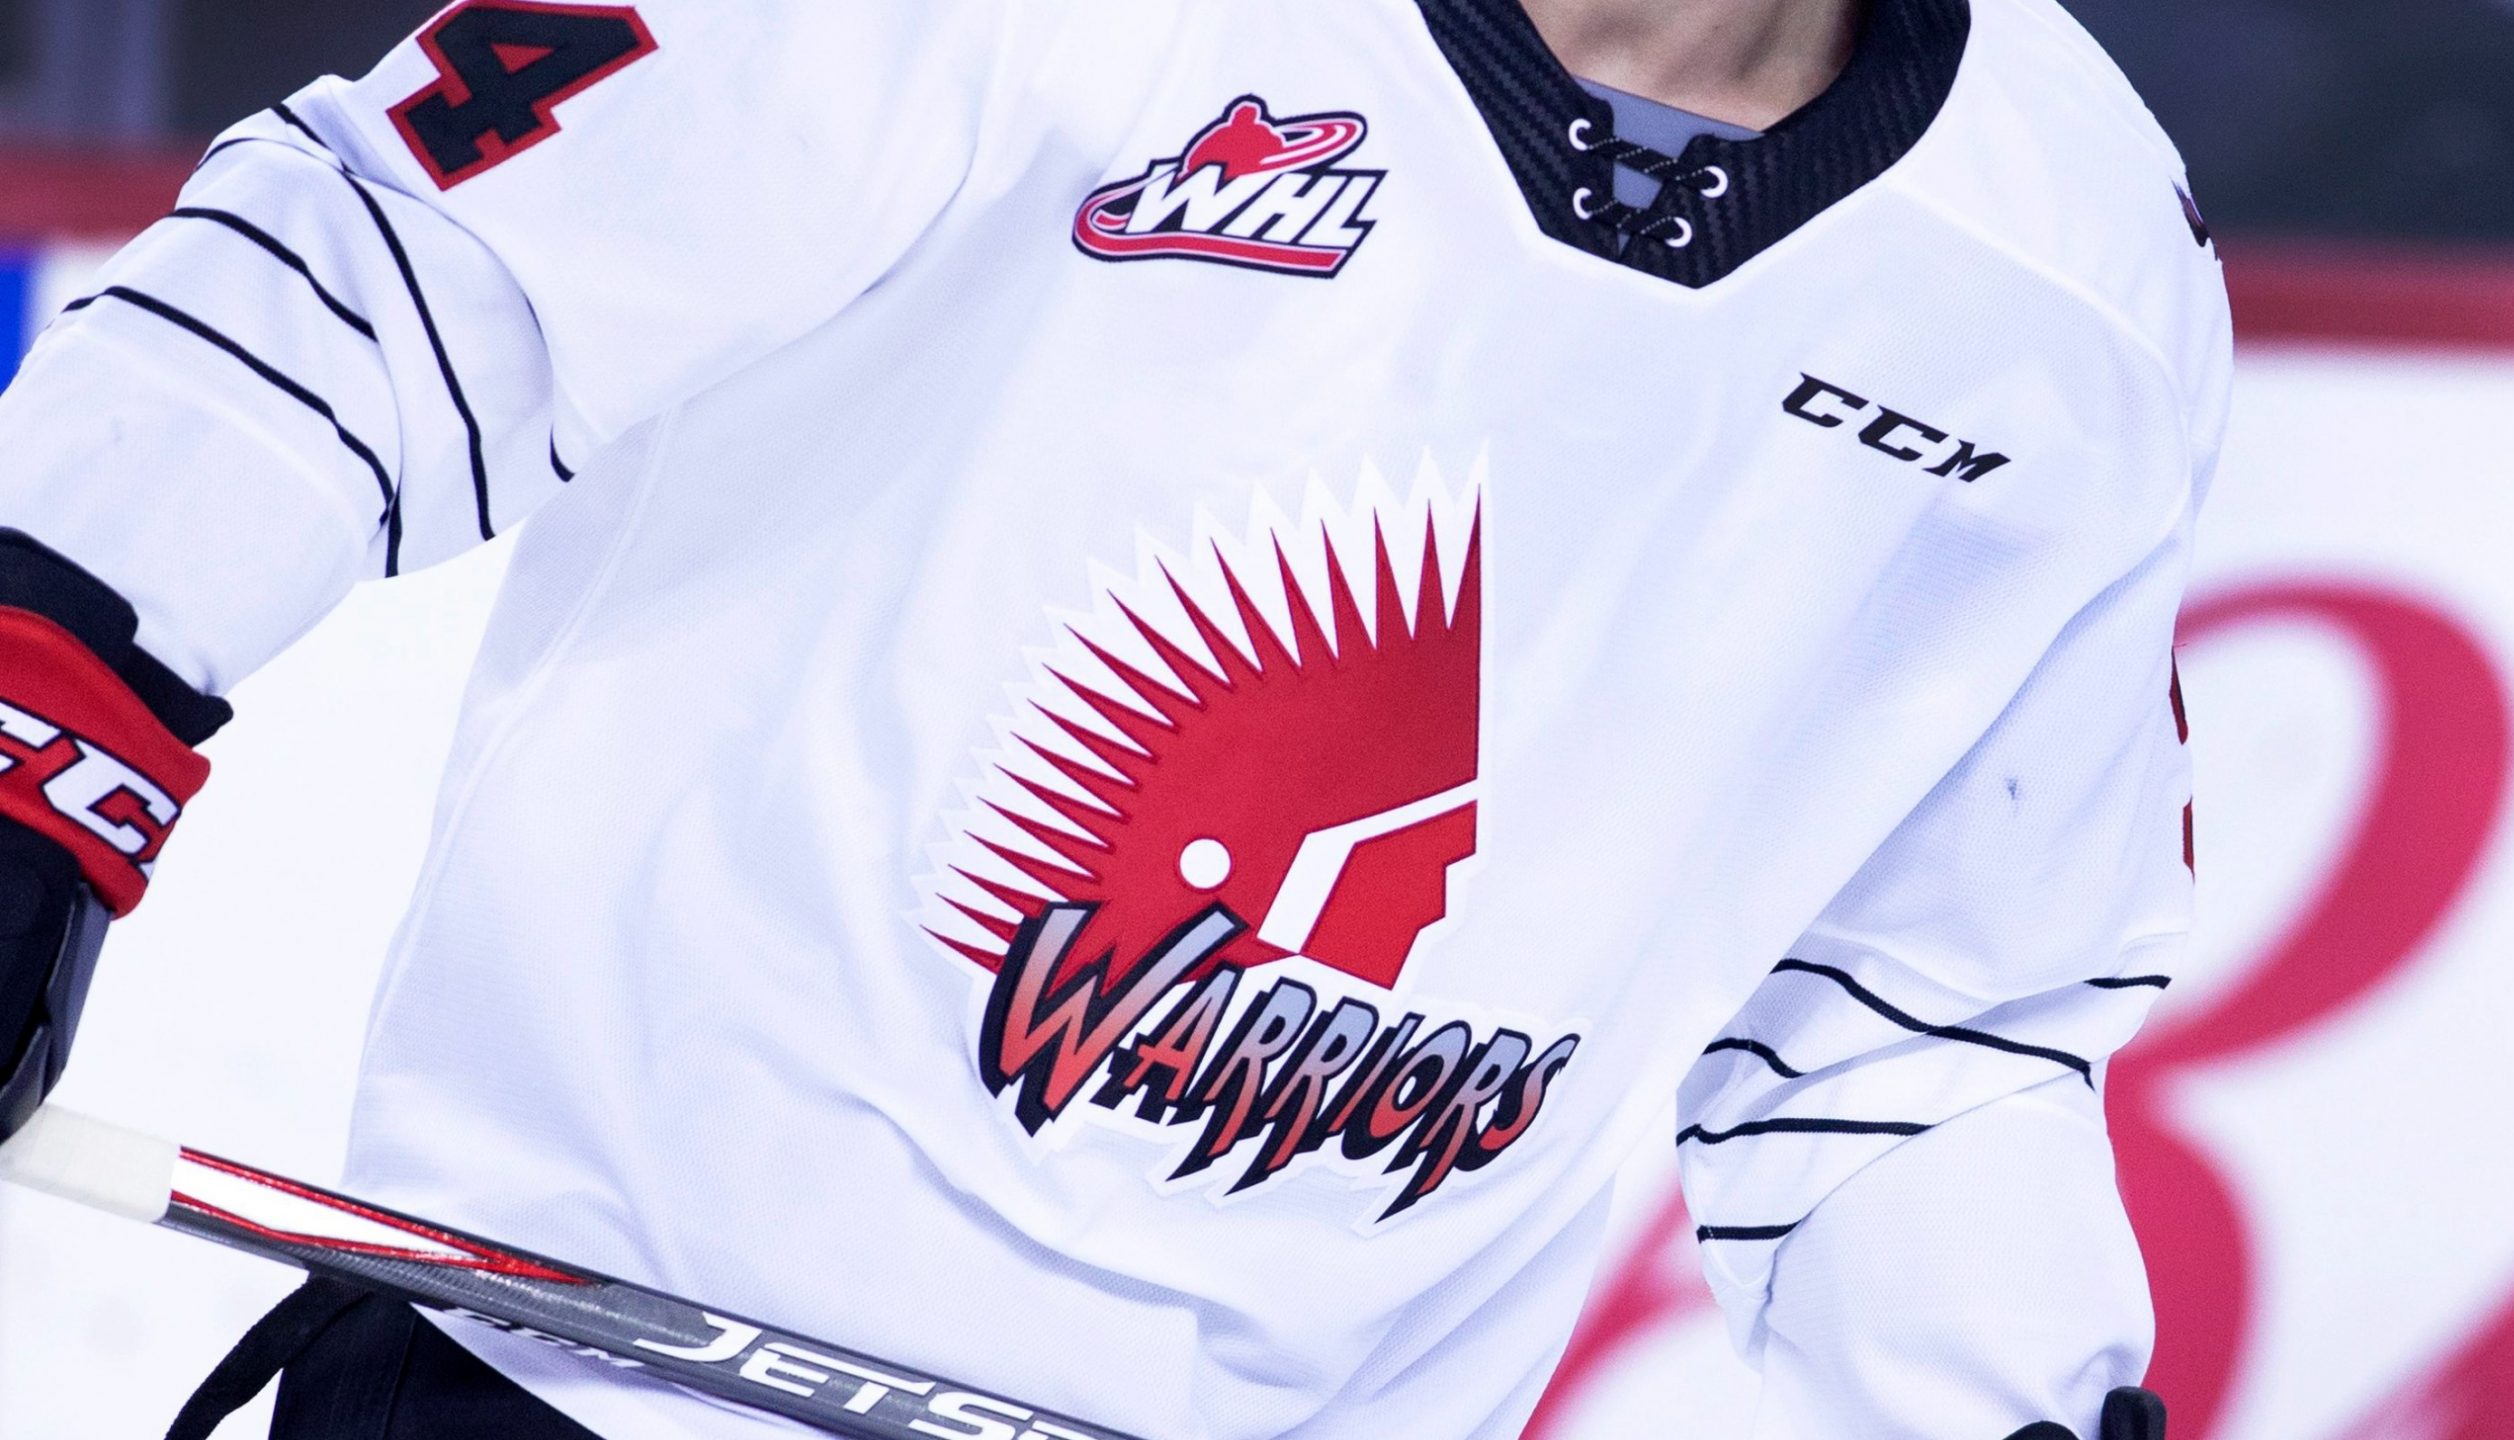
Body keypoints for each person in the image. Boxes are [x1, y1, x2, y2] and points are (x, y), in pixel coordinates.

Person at [0, 0, 2229, 1433]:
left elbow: (1922, 1035)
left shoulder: (2078, 252)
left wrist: (2013, 1405)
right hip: (576, 1391)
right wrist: (33, 747)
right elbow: (389, 272)